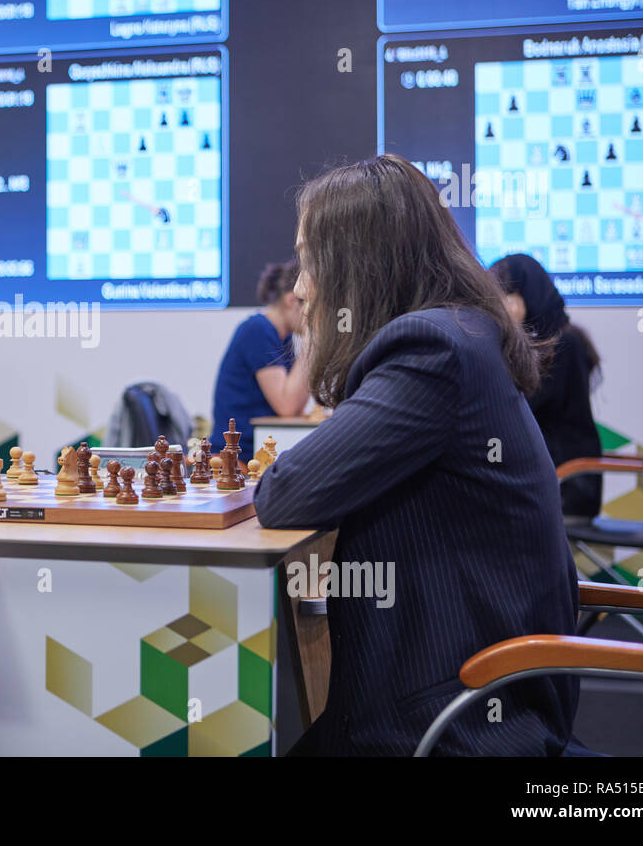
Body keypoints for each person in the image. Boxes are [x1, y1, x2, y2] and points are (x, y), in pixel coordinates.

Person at [253, 154, 580, 756]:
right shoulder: (463, 333)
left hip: (452, 722)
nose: (299, 288)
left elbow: (283, 493)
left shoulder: (429, 349)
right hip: (463, 693)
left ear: (359, 262)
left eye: (307, 259)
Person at [491, 254, 603, 519]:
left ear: (526, 295)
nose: (496, 309)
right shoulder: (552, 341)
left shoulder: (562, 345)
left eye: (504, 297)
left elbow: (516, 407)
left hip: (567, 484)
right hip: (546, 478)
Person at [211, 259, 308, 459]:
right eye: (309, 304)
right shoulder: (258, 330)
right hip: (238, 458)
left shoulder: (284, 338)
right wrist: (312, 339)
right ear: (291, 301)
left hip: (258, 449)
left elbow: (297, 406)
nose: (312, 314)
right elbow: (288, 407)